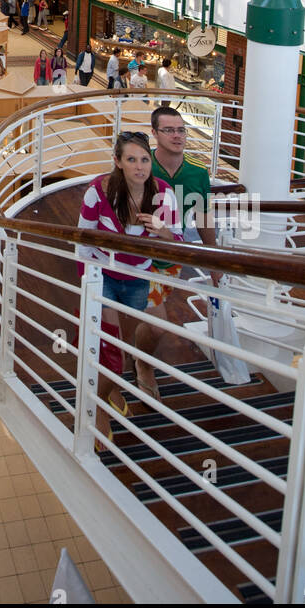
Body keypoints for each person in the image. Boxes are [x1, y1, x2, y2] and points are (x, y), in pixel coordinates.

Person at [77, 132, 182, 443]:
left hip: (139, 273)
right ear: (118, 163)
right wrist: (89, 281)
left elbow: (177, 242)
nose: (139, 167)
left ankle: (118, 385)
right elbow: (83, 241)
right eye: (131, 160)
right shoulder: (98, 192)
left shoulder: (163, 195)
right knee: (112, 354)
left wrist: (161, 230)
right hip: (104, 274)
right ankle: (97, 408)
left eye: (145, 159)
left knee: (148, 331)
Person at [133, 108, 214, 399]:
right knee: (157, 326)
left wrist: (214, 260)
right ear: (154, 133)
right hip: (136, 257)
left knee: (151, 320)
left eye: (181, 129)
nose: (177, 135)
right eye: (169, 130)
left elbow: (204, 217)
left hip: (170, 260)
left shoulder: (197, 173)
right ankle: (143, 363)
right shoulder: (139, 166)